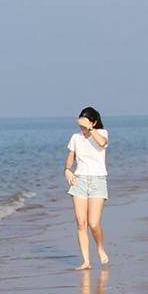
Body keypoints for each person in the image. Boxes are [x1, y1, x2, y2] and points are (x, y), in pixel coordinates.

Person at [64, 106, 110, 270]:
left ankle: (99, 247)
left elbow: (103, 143)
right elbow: (71, 157)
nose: (82, 129)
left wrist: (90, 129)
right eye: (80, 125)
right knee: (81, 223)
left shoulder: (102, 133)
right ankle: (86, 261)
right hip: (80, 180)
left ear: (94, 122)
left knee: (93, 223)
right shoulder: (75, 137)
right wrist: (67, 170)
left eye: (85, 125)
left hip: (98, 180)